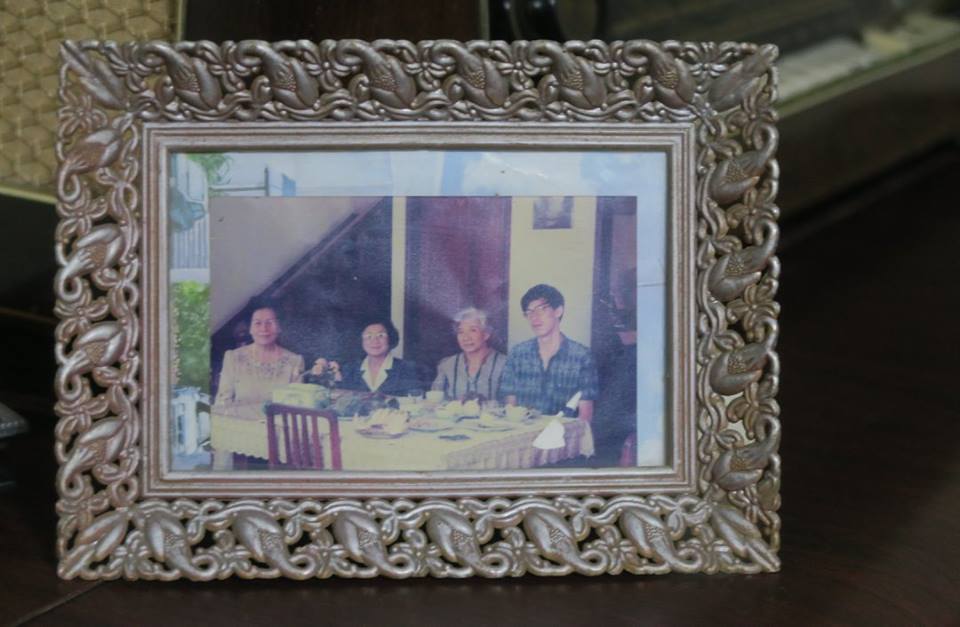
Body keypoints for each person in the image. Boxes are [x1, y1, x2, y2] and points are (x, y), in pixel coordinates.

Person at [500, 284, 598, 421]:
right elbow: (510, 408)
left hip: (564, 433)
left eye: (542, 309)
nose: (534, 317)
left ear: (558, 311)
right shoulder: (517, 354)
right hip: (523, 432)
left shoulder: (581, 356)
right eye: (529, 312)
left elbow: (585, 417)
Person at [214, 301, 304, 406]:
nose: (264, 328)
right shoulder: (233, 358)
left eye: (270, 322)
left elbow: (296, 406)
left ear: (279, 327)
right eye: (257, 323)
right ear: (250, 329)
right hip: (238, 417)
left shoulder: (295, 361)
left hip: (278, 417)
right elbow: (222, 402)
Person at [311, 317, 423, 395]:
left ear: (390, 338)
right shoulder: (350, 369)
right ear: (361, 341)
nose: (374, 341)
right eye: (368, 336)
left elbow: (414, 404)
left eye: (381, 335)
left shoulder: (407, 368)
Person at [431, 307, 506, 401]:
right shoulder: (448, 364)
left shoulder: (504, 364)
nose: (465, 338)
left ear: (486, 334)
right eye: (461, 332)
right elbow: (434, 400)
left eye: (473, 330)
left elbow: (512, 404)